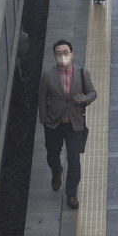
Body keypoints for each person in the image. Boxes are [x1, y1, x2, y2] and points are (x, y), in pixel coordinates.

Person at [37, 38, 97, 210]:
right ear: (54, 56)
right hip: (54, 124)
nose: (62, 56)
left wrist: (86, 99)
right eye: (58, 53)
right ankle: (56, 171)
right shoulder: (47, 76)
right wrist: (44, 120)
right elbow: (42, 99)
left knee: (74, 159)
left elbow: (93, 92)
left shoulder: (81, 73)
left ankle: (71, 193)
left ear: (71, 54)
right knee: (52, 155)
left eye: (65, 52)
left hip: (74, 124)